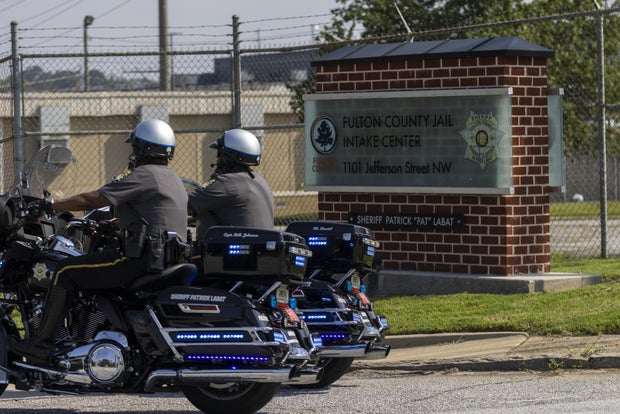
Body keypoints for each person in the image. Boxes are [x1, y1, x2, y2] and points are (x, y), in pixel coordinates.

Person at [10, 118, 189, 362]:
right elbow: (153, 216)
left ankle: (40, 346)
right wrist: (114, 224)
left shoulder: (143, 175)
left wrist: (48, 204)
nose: (132, 152)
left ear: (142, 148)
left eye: (134, 146)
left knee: (64, 271)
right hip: (164, 258)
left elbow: (91, 200)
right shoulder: (171, 178)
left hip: (137, 260)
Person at [187, 129, 274, 268]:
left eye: (219, 154)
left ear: (228, 156)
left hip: (228, 260)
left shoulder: (226, 183)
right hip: (257, 258)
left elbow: (184, 202)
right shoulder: (259, 181)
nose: (217, 159)